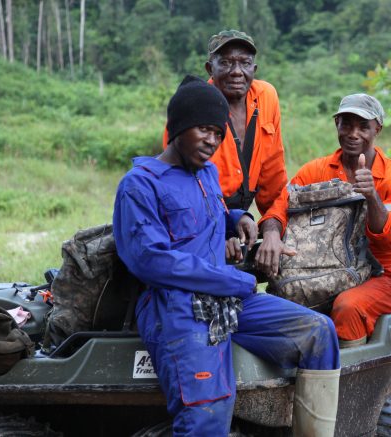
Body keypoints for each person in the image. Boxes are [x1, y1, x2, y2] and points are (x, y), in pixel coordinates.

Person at [115, 76, 340, 436]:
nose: (212, 141)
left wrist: (240, 217)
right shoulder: (140, 184)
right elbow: (151, 261)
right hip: (177, 308)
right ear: (177, 127)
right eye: (204, 130)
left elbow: (213, 213)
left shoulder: (205, 173)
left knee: (318, 331)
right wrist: (232, 279)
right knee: (208, 415)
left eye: (218, 134)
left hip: (226, 298)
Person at [261, 93, 391, 348]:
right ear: (337, 125)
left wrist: (371, 196)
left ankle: (349, 380)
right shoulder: (314, 171)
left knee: (347, 307)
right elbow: (280, 204)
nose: (353, 133)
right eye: (346, 124)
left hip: (383, 277)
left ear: (377, 128)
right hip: (322, 272)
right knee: (277, 304)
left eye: (363, 126)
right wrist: (271, 233)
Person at [163, 29, 290, 259]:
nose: (237, 72)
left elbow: (275, 182)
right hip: (200, 223)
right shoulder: (193, 104)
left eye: (244, 63)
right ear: (210, 69)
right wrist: (219, 232)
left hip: (242, 218)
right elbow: (180, 191)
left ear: (254, 69)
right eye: (226, 63)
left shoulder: (266, 97)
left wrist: (273, 229)